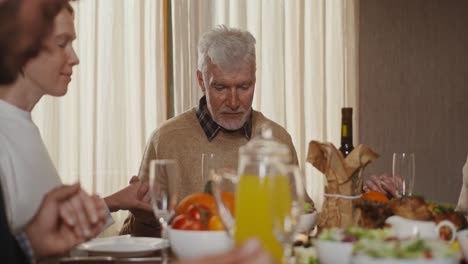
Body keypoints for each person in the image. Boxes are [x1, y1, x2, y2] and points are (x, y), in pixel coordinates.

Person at [120, 25, 302, 236]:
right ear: (201, 81)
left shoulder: (278, 140)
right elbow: (131, 237)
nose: (234, 102)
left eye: (244, 87)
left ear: (255, 79)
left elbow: (301, 218)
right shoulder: (166, 139)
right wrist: (146, 219)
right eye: (221, 88)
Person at [0, 2, 153, 233]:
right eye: (62, 43)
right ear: (20, 47)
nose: (74, 57)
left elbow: (46, 234)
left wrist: (117, 201)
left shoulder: (23, 126)